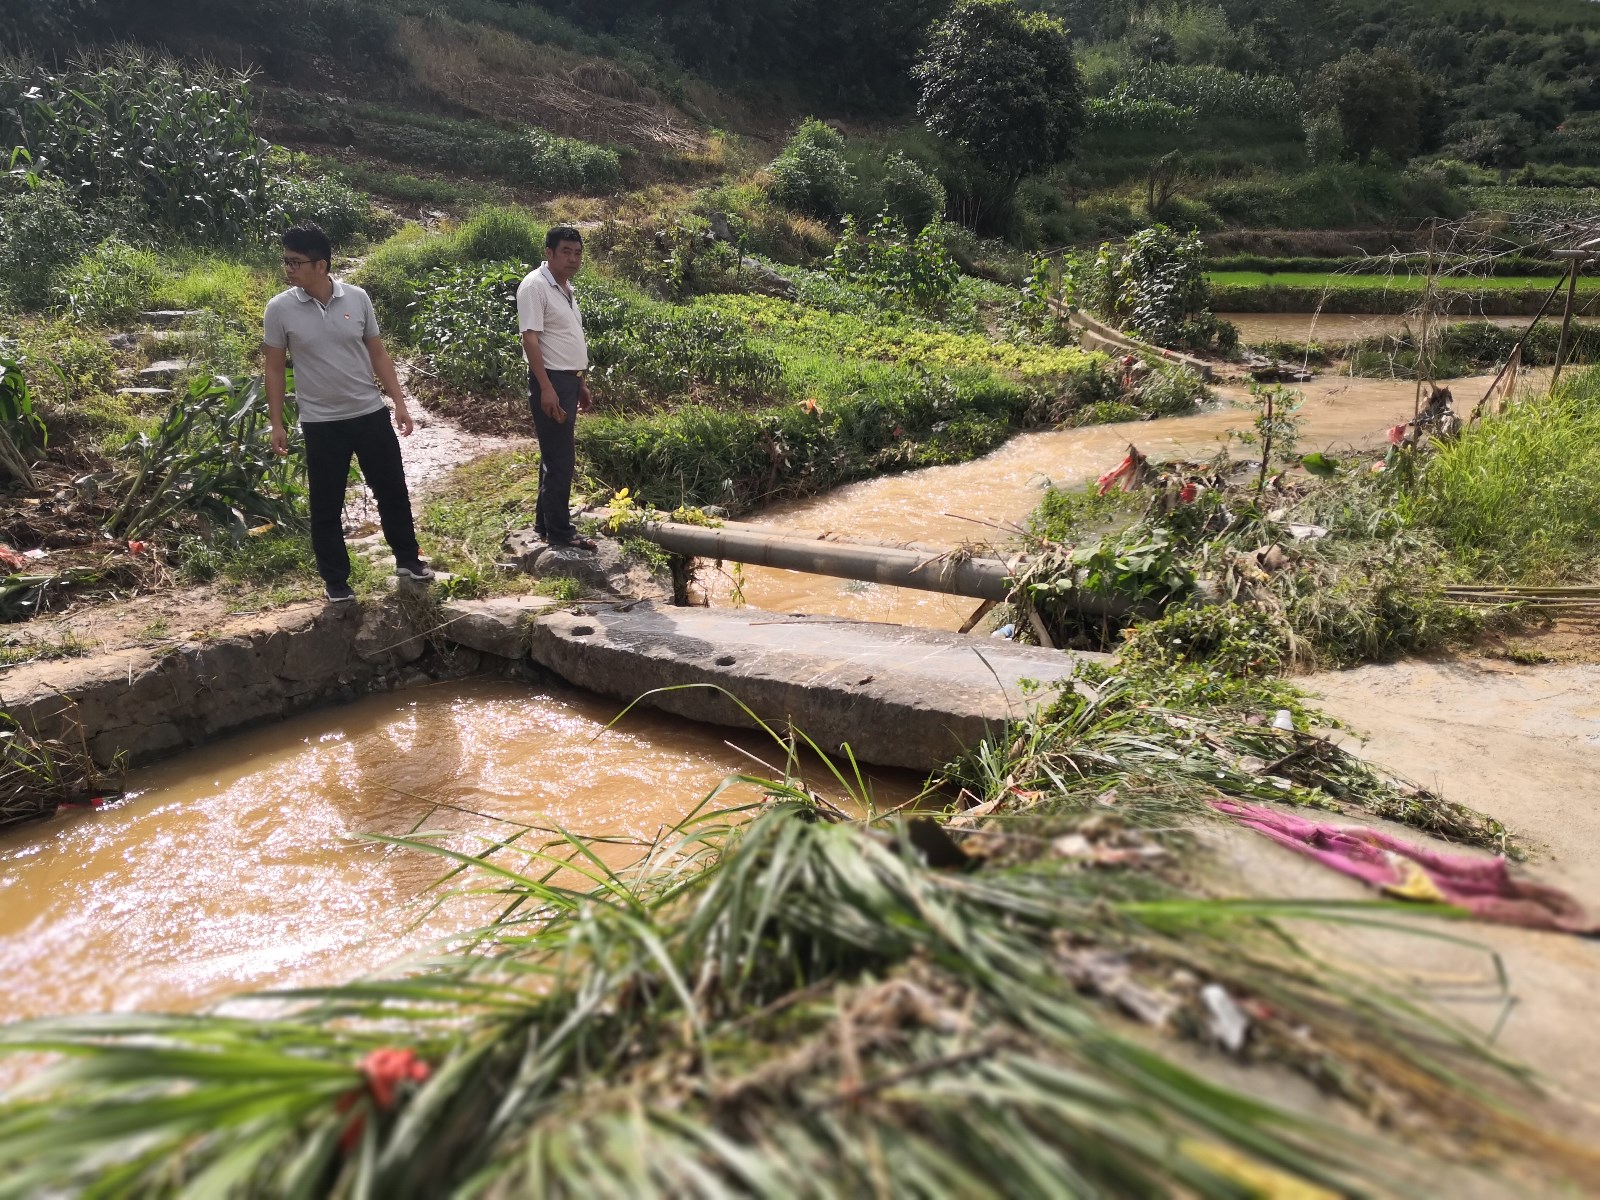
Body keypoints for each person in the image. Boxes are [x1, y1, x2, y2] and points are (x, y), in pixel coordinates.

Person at [263, 223, 433, 603]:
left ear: (321, 265)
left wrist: (400, 404)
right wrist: (277, 422)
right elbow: (274, 367)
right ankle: (336, 580)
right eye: (286, 261)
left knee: (392, 491)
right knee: (326, 503)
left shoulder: (357, 299)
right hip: (321, 423)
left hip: (369, 414)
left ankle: (408, 559)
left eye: (296, 262)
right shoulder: (280, 309)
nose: (288, 269)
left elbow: (378, 353)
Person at [517, 225, 596, 551]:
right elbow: (530, 339)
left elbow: (564, 339)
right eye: (566, 252)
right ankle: (561, 534)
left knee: (553, 456)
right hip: (548, 380)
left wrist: (580, 381)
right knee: (561, 459)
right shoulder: (535, 287)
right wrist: (547, 388)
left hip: (566, 379)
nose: (573, 259)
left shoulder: (565, 288)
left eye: (577, 253)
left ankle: (545, 524)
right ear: (549, 253)